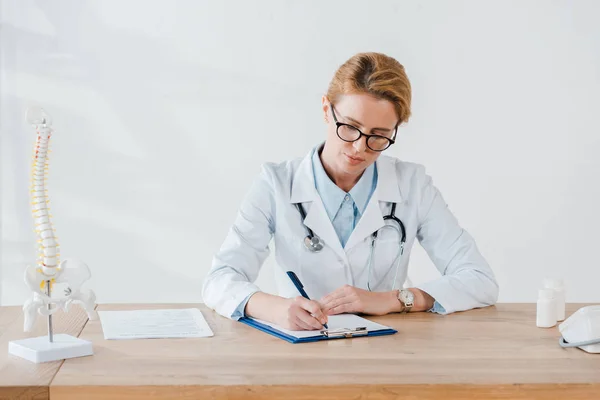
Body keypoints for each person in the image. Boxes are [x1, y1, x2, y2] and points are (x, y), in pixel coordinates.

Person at [202, 52, 498, 331]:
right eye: (350, 127)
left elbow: (480, 280)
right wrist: (276, 309)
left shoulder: (412, 184)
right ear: (326, 111)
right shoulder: (276, 184)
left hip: (389, 351)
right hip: (302, 351)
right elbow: (219, 280)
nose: (360, 147)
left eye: (379, 136)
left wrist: (392, 300)